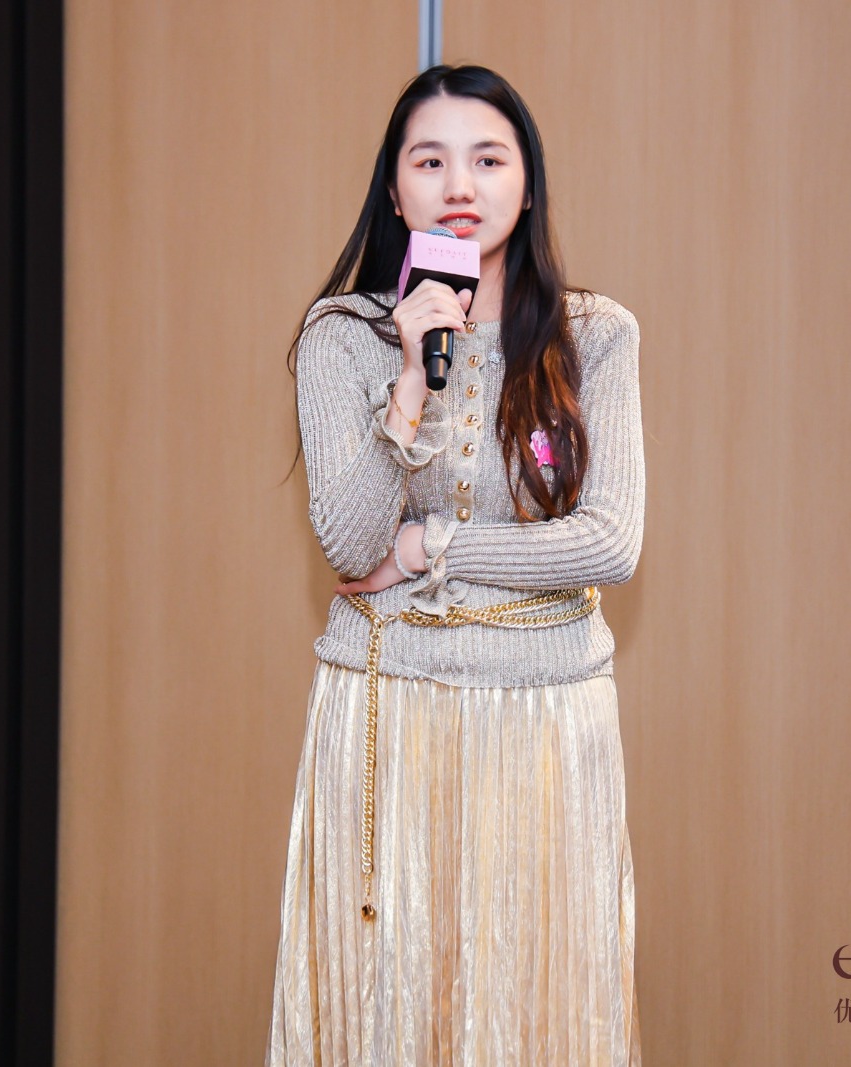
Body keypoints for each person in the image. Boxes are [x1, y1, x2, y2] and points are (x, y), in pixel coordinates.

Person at [268, 64, 645, 1066]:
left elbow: (609, 540)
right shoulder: (343, 337)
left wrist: (429, 546)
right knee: (392, 1008)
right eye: (429, 162)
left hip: (545, 719)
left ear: (528, 183)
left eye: (488, 159)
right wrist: (408, 378)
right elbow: (351, 543)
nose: (460, 185)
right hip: (389, 715)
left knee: (532, 1007)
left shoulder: (595, 336)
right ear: (396, 192)